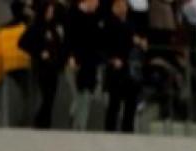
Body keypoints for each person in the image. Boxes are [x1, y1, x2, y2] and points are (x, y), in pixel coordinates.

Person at [20, 0, 68, 129]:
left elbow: (60, 44)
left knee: (51, 96)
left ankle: (45, 122)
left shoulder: (54, 27)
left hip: (54, 66)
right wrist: (39, 52)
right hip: (42, 66)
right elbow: (23, 43)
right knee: (46, 95)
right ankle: (40, 121)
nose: (51, 14)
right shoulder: (36, 26)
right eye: (49, 11)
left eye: (52, 11)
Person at [102, 0, 144, 133]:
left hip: (130, 67)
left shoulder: (130, 23)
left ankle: (128, 129)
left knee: (130, 103)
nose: (123, 8)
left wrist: (140, 42)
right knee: (114, 102)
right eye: (120, 6)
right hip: (116, 67)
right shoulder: (109, 23)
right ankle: (110, 129)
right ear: (114, 7)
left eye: (125, 6)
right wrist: (111, 59)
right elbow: (105, 45)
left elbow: (135, 40)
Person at [0, 0, 33, 127]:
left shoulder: (2, 30)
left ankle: (8, 119)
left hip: (8, 66)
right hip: (24, 64)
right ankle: (25, 120)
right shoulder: (26, 26)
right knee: (27, 94)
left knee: (11, 93)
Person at [65, 0, 104, 130]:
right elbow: (69, 37)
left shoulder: (95, 17)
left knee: (87, 93)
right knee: (79, 93)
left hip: (90, 62)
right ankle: (74, 118)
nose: (97, 5)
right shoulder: (73, 13)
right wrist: (71, 56)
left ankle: (81, 125)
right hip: (77, 60)